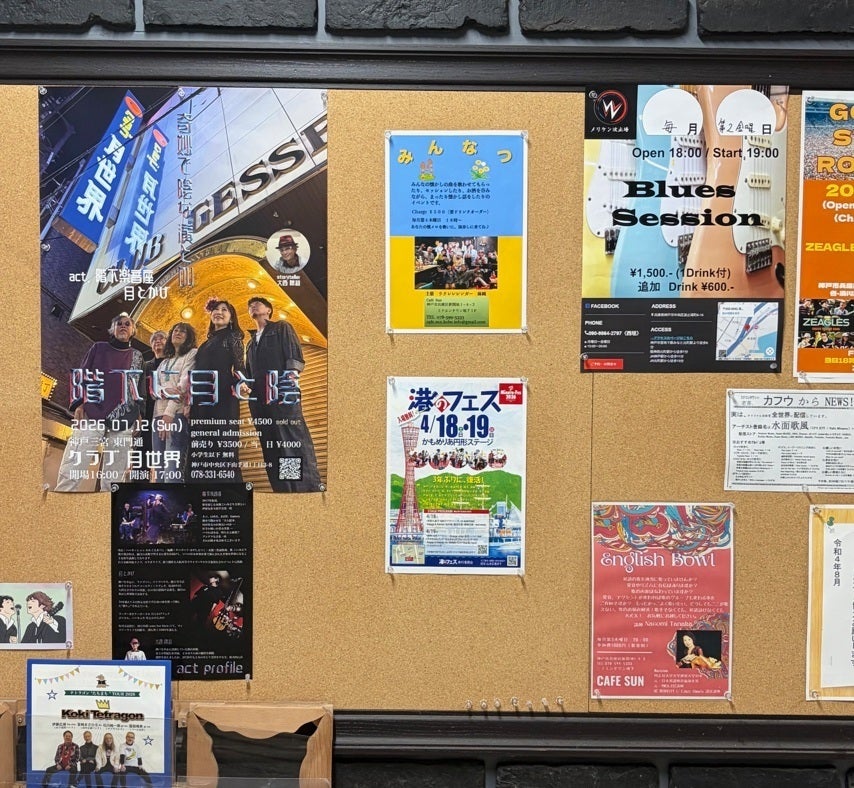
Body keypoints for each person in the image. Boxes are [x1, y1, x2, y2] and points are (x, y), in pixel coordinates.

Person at [54, 313, 145, 492]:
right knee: (76, 458)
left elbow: (139, 387)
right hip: (93, 410)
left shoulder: (137, 356)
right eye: (119, 323)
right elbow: (82, 374)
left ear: (133, 331)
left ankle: (108, 505)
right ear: (112, 329)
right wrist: (78, 403)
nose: (123, 326)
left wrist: (139, 413)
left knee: (115, 473)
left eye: (127, 324)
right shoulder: (98, 348)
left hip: (124, 415)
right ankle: (62, 498)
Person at [245, 296, 321, 492]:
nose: (253, 306)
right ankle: (283, 490)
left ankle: (302, 489)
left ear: (268, 310)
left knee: (290, 439)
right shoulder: (250, 344)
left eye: (257, 304)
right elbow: (248, 374)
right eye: (250, 306)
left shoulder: (281, 327)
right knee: (270, 444)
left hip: (282, 392)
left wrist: (290, 382)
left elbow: (293, 355)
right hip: (259, 401)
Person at [189, 299, 246, 483]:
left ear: (231, 318)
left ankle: (229, 491)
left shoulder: (233, 337)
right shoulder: (205, 344)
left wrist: (242, 382)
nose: (219, 312)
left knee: (222, 443)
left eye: (224, 310)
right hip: (200, 397)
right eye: (215, 309)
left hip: (222, 395)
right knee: (200, 445)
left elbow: (239, 366)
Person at [151, 322, 197, 483]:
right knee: (159, 470)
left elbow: (183, 385)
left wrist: (169, 413)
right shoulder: (165, 362)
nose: (178, 333)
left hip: (176, 415)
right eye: (175, 330)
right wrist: (164, 391)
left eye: (183, 331)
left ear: (189, 337)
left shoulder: (192, 354)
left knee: (172, 470)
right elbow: (153, 389)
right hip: (157, 416)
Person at [141, 331, 167, 482]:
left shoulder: (174, 363)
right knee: (142, 455)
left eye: (161, 338)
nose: (157, 341)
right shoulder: (145, 366)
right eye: (154, 339)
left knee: (166, 457)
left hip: (167, 415)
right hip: (147, 416)